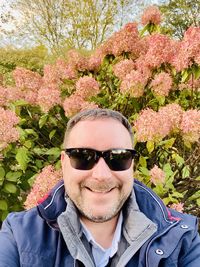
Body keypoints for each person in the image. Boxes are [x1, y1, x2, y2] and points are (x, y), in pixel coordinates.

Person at [0, 108, 199, 267]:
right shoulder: (18, 235)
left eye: (118, 157)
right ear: (64, 162)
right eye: (82, 156)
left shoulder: (184, 239)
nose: (101, 175)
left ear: (132, 164)